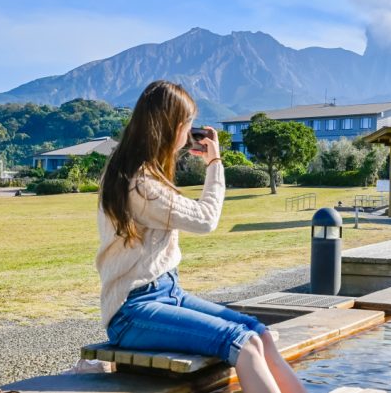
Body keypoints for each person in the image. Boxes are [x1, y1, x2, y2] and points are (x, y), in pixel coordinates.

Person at [97, 80, 305, 393]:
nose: (190, 131)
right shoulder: (141, 185)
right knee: (244, 343)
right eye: (188, 124)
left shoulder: (138, 172)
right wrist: (214, 162)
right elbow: (206, 219)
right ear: (173, 127)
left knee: (259, 333)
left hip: (168, 293)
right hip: (132, 311)